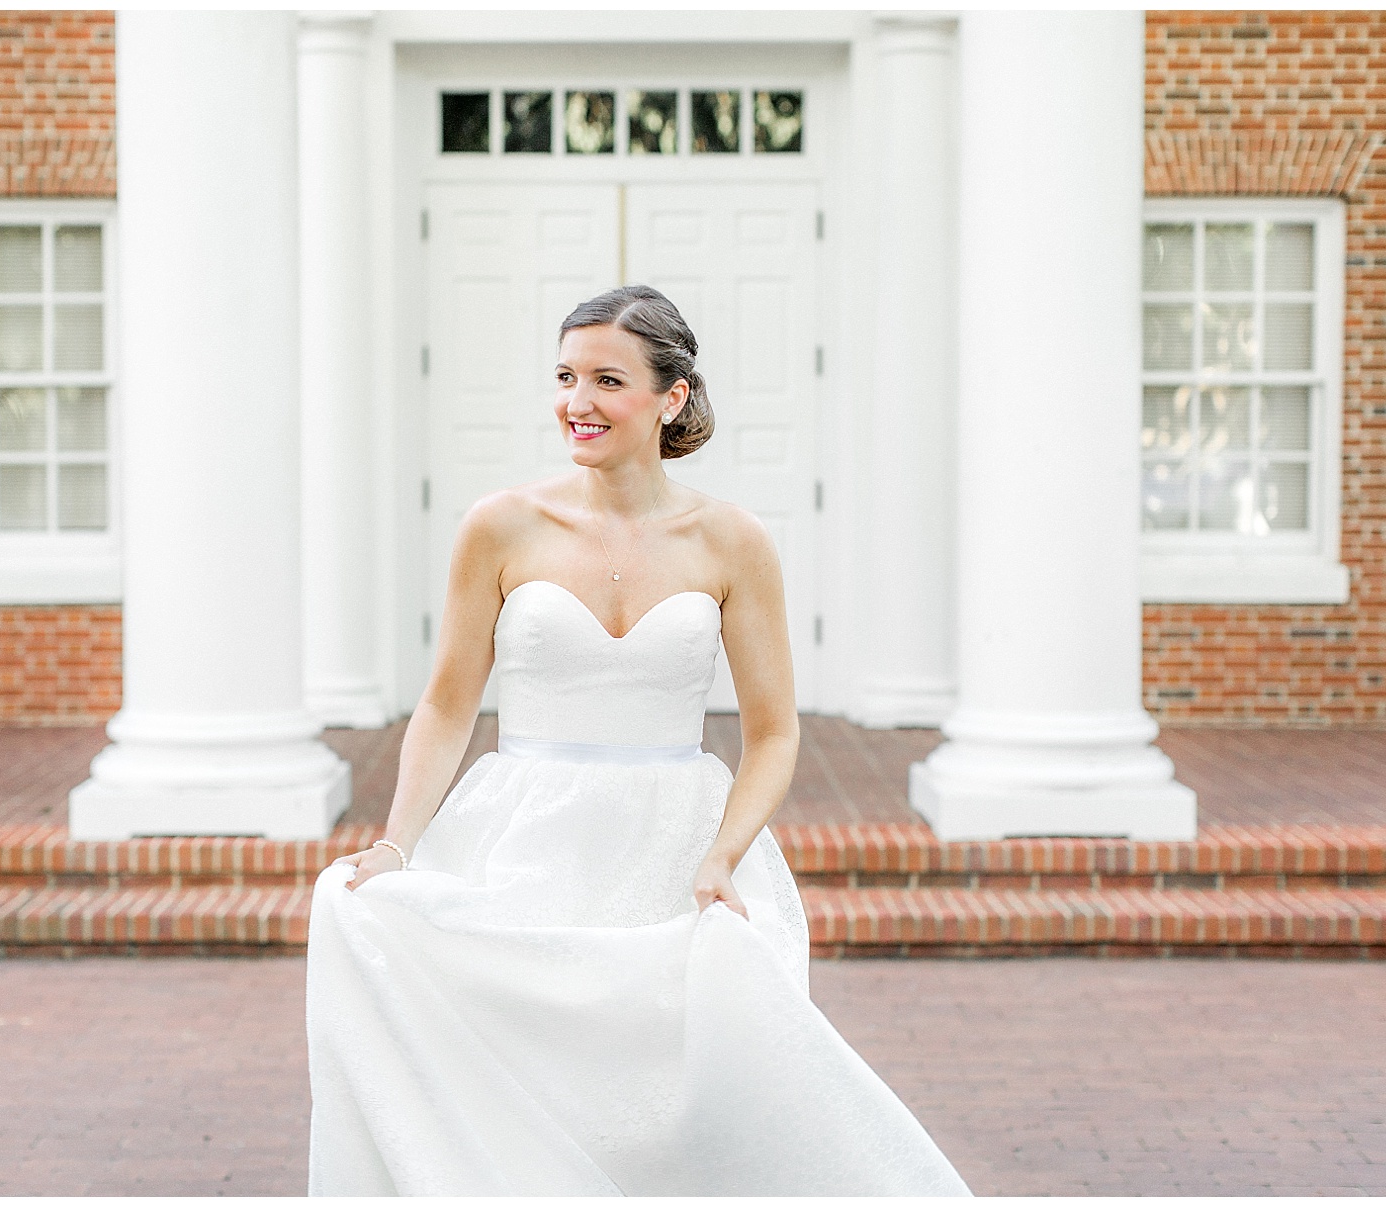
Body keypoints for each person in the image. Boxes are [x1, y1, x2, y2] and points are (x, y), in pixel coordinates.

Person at [305, 285, 971, 1196]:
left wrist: (723, 854)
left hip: (673, 840)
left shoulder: (732, 540)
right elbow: (447, 705)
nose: (576, 401)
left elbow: (774, 731)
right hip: (525, 835)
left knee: (669, 1090)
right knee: (525, 1064)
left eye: (607, 380)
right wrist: (396, 843)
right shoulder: (500, 525)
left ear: (672, 396)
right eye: (565, 376)